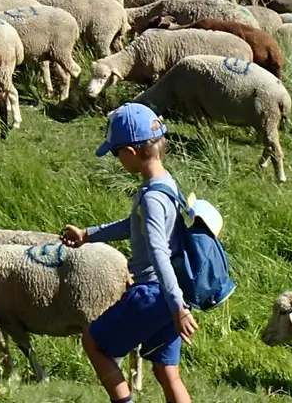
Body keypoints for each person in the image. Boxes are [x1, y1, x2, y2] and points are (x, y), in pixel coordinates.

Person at [61, 102, 198, 403]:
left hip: (154, 293)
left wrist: (177, 308)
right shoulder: (166, 184)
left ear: (131, 152)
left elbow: (159, 253)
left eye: (115, 151)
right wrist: (89, 235)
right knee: (167, 373)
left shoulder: (151, 198)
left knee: (94, 342)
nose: (116, 158)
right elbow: (134, 226)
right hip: (172, 293)